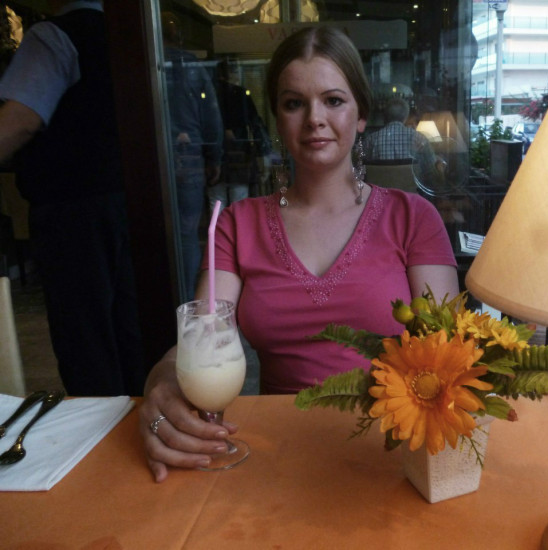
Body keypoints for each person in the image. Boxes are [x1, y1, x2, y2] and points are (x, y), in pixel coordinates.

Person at [139, 26, 458, 481]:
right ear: (278, 118)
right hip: (275, 454)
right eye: (294, 103)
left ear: (361, 115)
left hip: (387, 453)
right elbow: (202, 335)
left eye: (333, 100)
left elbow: (448, 352)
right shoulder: (236, 224)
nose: (314, 119)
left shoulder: (413, 219)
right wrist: (163, 380)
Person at [0, 0, 147, 396]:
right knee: (133, 328)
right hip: (134, 201)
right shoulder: (131, 36)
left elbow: (19, 120)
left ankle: (100, 426)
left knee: (84, 335)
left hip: (73, 209)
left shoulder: (53, 36)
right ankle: (142, 418)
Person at [161, 11, 223, 301]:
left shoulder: (141, 63)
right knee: (187, 235)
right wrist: (214, 157)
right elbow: (211, 116)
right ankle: (187, 306)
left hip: (151, 158)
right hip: (189, 158)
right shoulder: (191, 66)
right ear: (178, 36)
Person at [208, 60, 272, 209]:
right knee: (239, 201)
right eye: (235, 71)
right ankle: (237, 225)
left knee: (217, 201)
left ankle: (219, 226)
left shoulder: (209, 94)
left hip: (214, 153)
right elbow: (255, 123)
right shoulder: (240, 94)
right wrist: (264, 152)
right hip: (239, 154)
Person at [363, 96, 442, 181]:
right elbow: (432, 171)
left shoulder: (371, 140)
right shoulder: (420, 138)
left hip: (379, 189)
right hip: (411, 189)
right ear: (405, 117)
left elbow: (360, 171)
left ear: (385, 116)